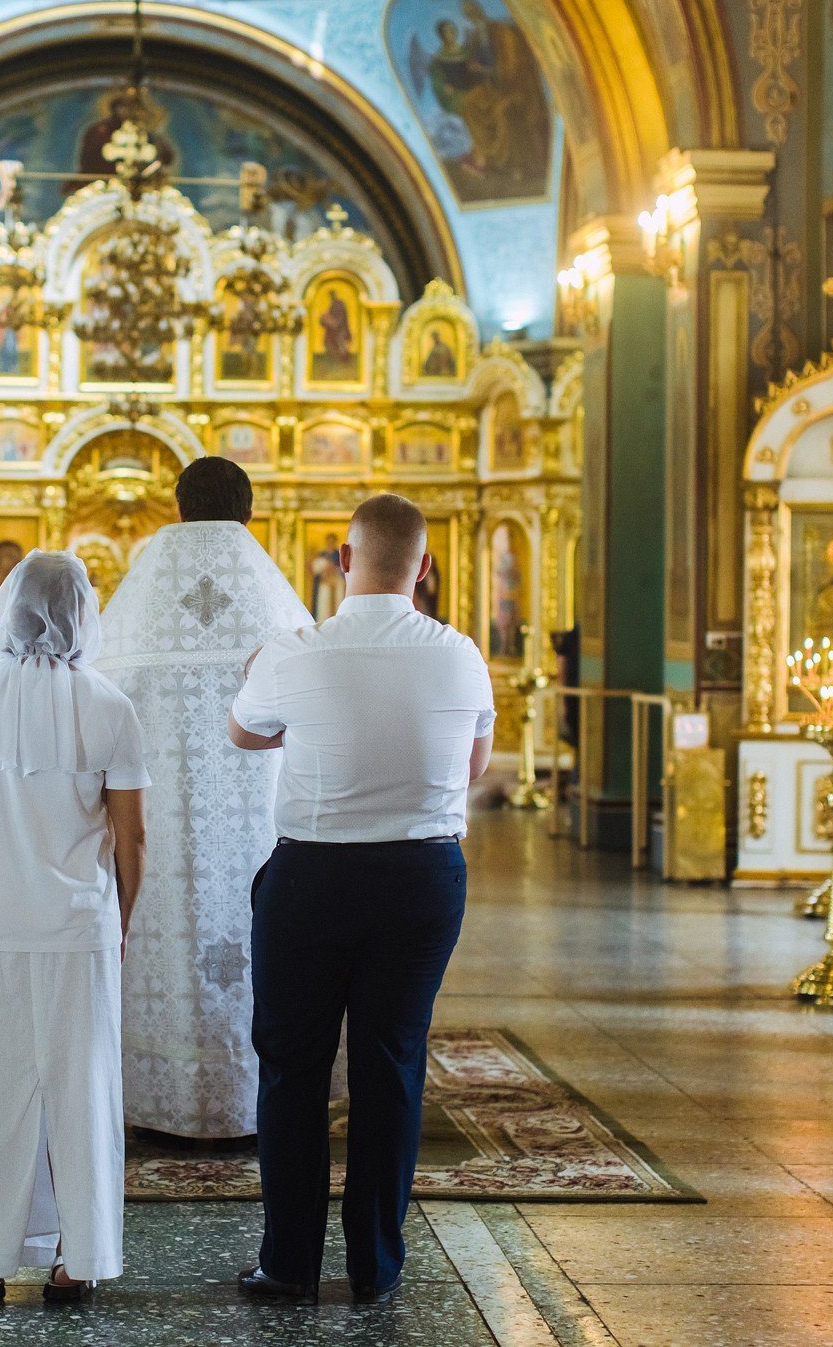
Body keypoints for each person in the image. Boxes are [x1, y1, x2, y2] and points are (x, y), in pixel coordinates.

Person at [228, 492, 496, 1303]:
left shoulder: (293, 649)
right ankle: (376, 1265)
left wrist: (291, 718)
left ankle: (289, 1264)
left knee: (294, 1069)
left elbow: (242, 732)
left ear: (343, 561)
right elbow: (473, 765)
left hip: (312, 879)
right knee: (391, 1065)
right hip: (422, 880)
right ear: (424, 569)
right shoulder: (462, 653)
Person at [0, 550, 147, 1303]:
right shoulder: (111, 706)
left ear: (8, 610)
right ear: (84, 612)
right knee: (81, 1091)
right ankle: (79, 1260)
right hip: (79, 929)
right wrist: (119, 922)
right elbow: (132, 837)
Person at [96, 456, 311, 1142]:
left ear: (179, 506)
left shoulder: (137, 602)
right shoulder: (276, 601)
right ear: (248, 510)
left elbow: (96, 699)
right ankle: (252, 1097)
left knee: (169, 943)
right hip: (260, 827)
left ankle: (158, 1100)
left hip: (153, 825)